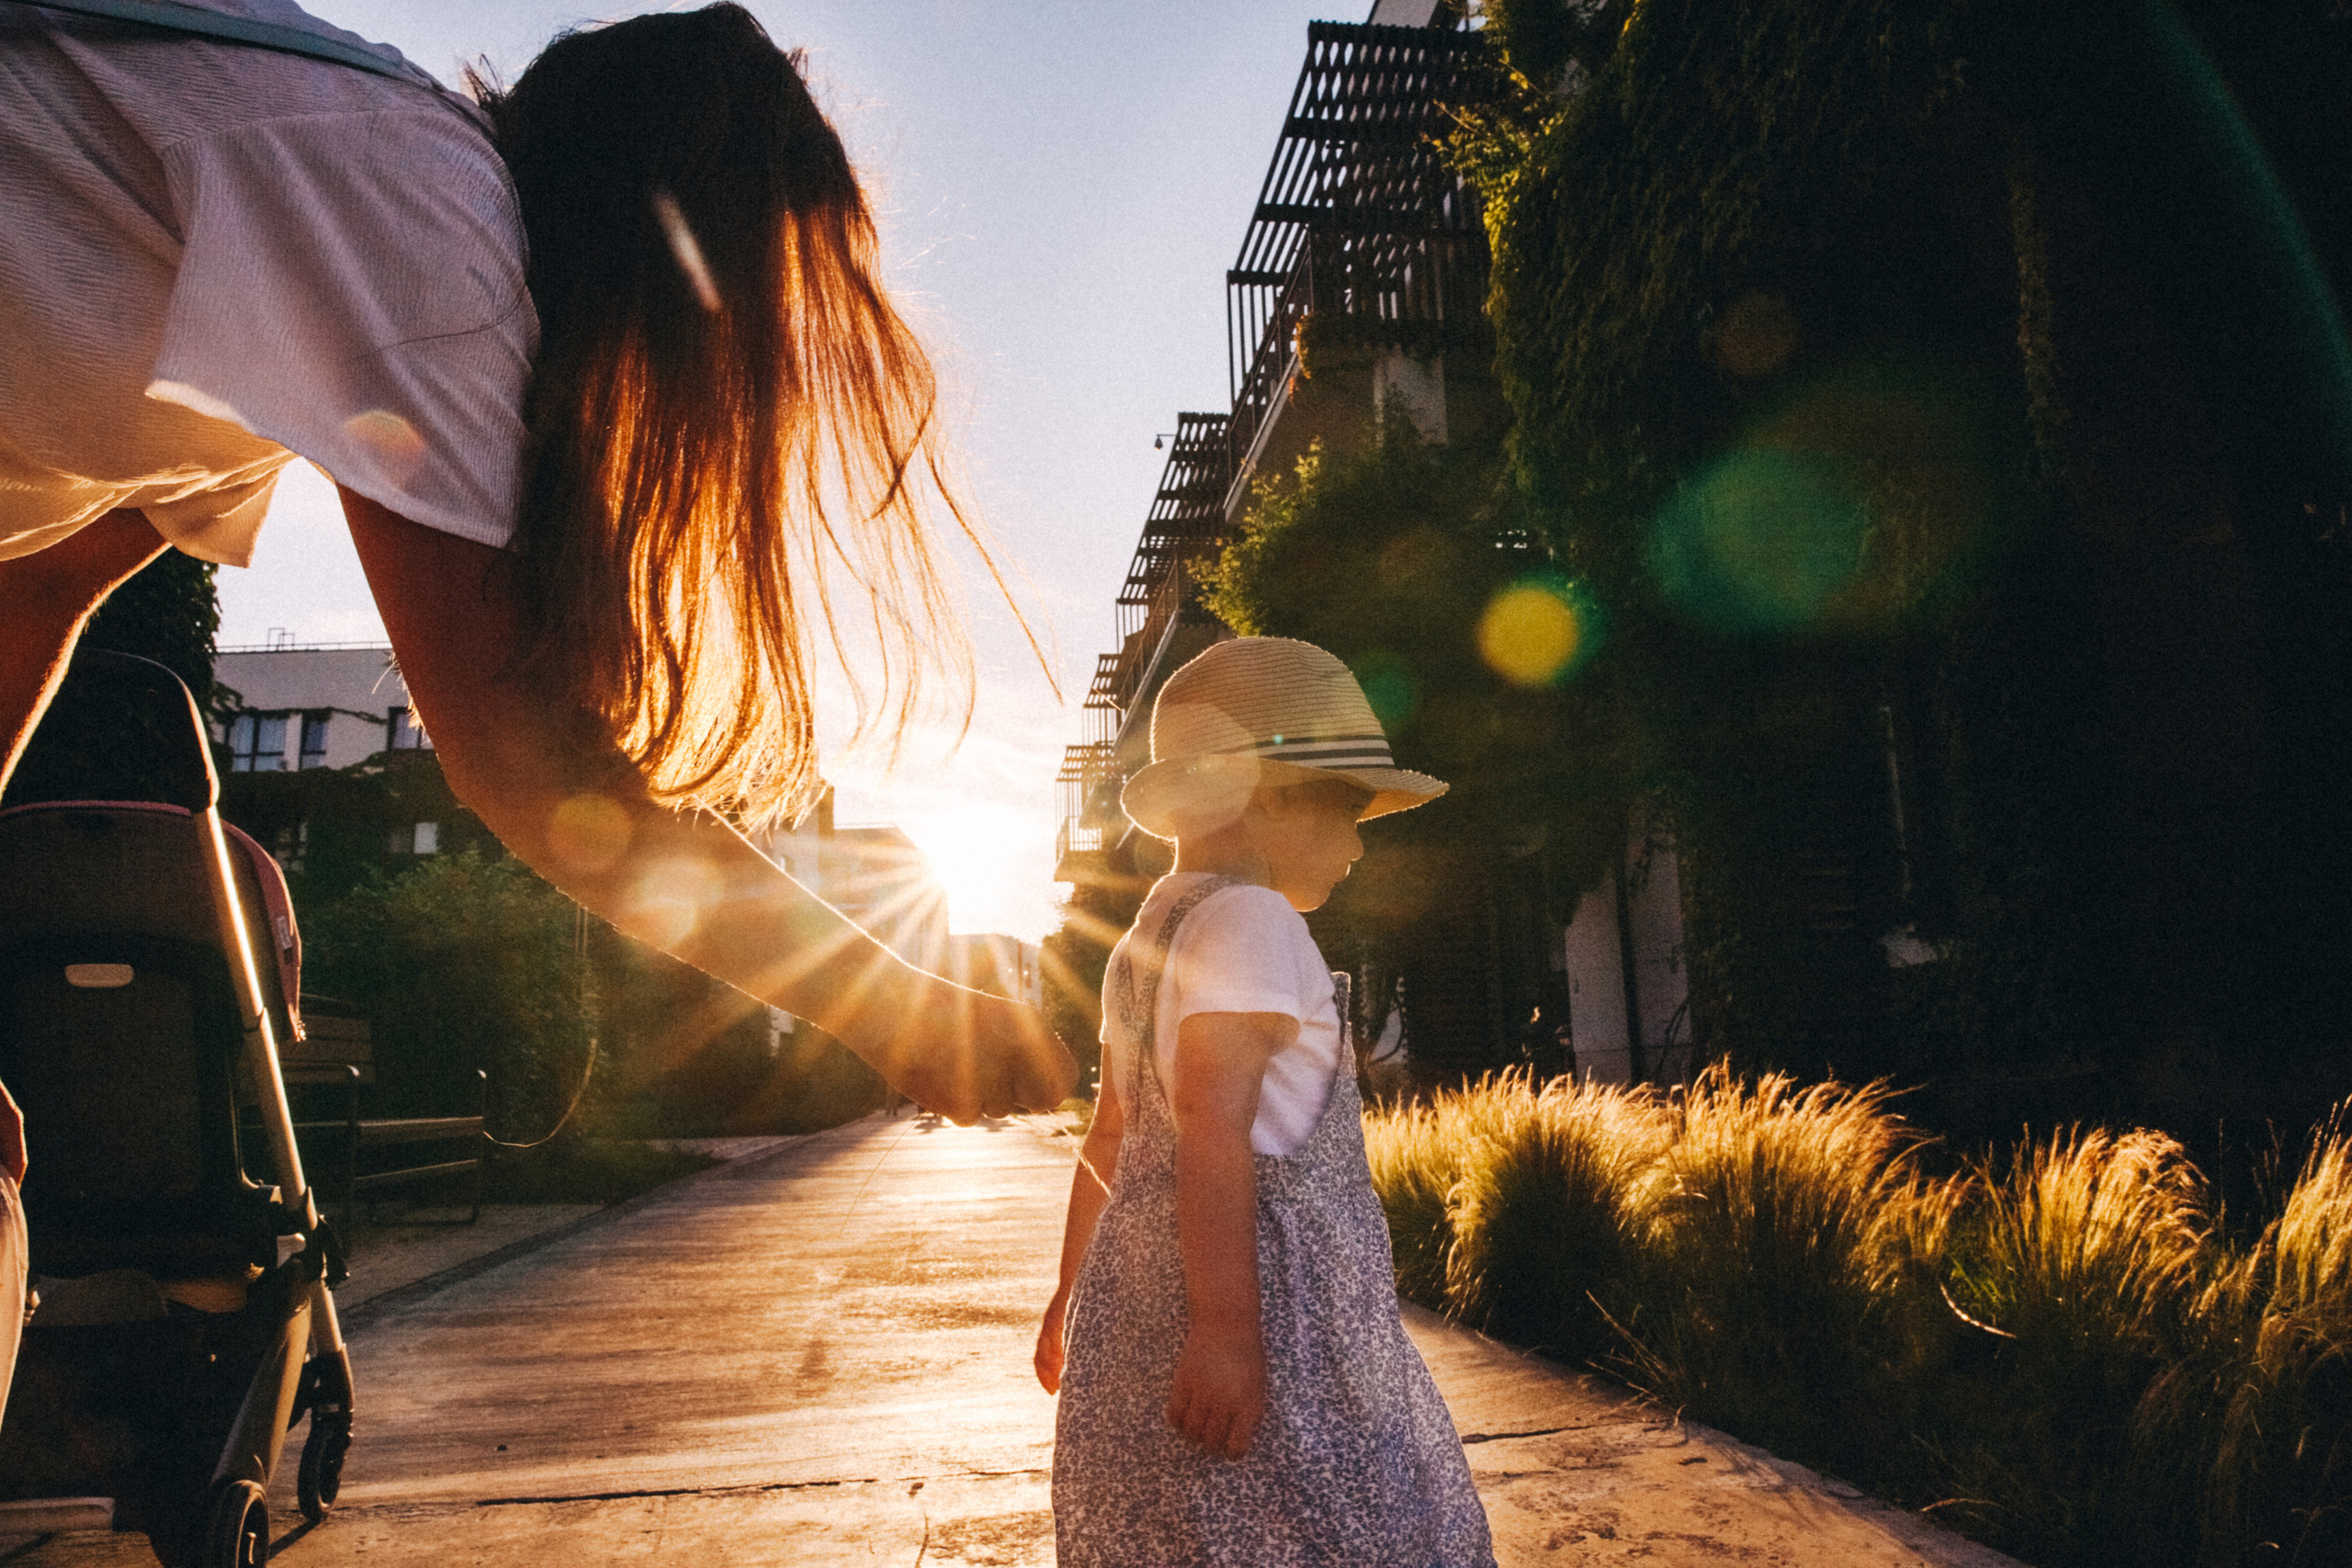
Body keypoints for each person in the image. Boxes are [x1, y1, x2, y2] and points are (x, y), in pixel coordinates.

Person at [0, 0, 1075, 1123]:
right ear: (669, 232)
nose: (737, 358)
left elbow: (35, 588)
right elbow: (531, 760)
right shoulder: (404, 194)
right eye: (752, 294)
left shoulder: (280, 311)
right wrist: (900, 1011)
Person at [1035, 637, 1494, 1567]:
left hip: (1149, 1303)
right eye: (1348, 810)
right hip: (1272, 1315)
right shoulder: (1253, 920)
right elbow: (1212, 1125)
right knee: (1325, 1522)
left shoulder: (1146, 936)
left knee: (1204, 1529)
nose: (1359, 843)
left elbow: (1112, 1137)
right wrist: (1228, 1335)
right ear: (1268, 792)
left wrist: (1069, 1293)